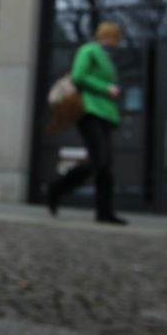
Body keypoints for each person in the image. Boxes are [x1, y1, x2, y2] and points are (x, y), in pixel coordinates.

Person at [47, 21, 126, 225]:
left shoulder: (105, 57)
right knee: (99, 161)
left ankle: (104, 213)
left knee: (106, 164)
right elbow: (78, 76)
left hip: (104, 114)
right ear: (107, 35)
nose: (116, 42)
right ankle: (56, 189)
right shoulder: (88, 50)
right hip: (89, 110)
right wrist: (106, 88)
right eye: (115, 37)